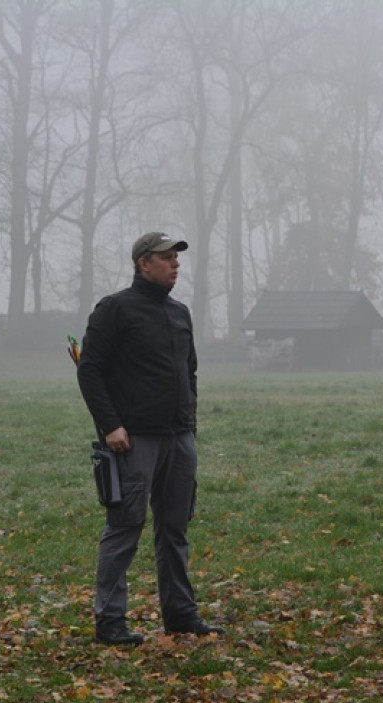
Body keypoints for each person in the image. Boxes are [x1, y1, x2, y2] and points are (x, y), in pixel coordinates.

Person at [77, 231, 223, 646]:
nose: (176, 264)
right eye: (167, 258)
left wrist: (190, 422)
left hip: (179, 438)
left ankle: (180, 615)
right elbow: (89, 370)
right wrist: (110, 425)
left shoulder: (180, 313)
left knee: (175, 529)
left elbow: (189, 372)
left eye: (177, 257)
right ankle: (110, 621)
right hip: (133, 439)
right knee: (125, 527)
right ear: (144, 263)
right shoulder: (114, 309)